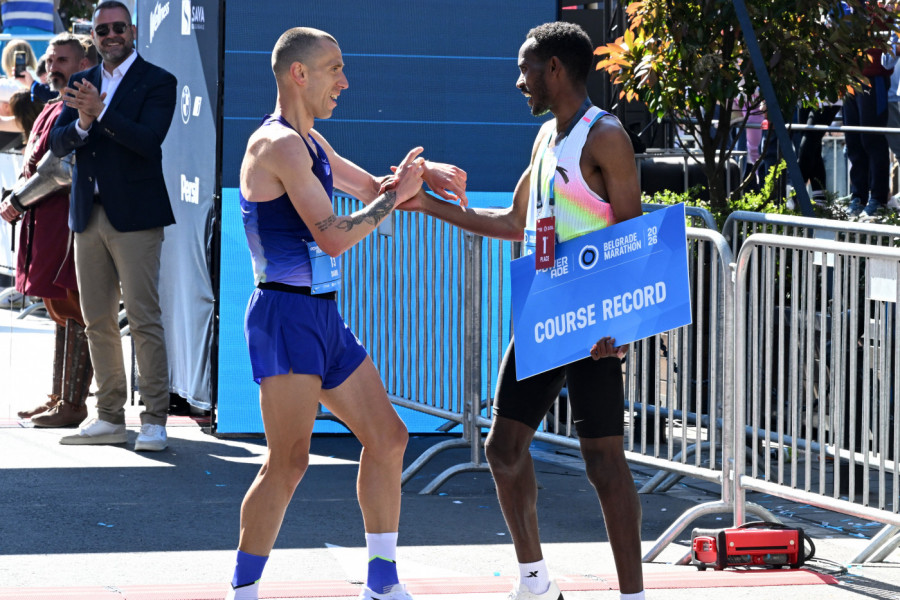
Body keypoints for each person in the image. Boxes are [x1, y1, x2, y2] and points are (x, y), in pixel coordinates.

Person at [404, 22, 645, 600]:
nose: (519, 81)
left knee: (603, 464)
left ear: (554, 69)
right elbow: (515, 223)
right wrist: (426, 205)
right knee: (503, 449)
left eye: (525, 69)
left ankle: (633, 595)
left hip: (592, 321)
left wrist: (620, 325)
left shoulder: (605, 136)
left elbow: (633, 238)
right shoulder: (544, 139)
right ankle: (535, 584)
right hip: (543, 312)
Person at [225, 27, 467, 600]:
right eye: (334, 68)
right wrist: (397, 194)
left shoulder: (312, 142)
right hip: (285, 317)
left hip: (322, 318)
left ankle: (382, 584)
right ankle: (242, 591)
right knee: (288, 463)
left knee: (388, 438)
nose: (345, 81)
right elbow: (333, 236)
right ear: (299, 74)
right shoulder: (277, 144)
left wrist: (420, 175)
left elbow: (373, 189)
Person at [48, 1, 177, 451]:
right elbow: (57, 143)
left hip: (136, 217)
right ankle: (109, 416)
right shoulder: (83, 82)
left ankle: (155, 420)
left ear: (133, 31)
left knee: (143, 319)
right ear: (95, 37)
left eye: (118, 27)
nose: (111, 35)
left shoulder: (157, 81)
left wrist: (100, 113)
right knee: (97, 320)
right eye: (102, 30)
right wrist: (83, 124)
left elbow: (148, 142)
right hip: (88, 215)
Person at [0, 33, 96, 428]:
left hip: (67, 221)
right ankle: (59, 396)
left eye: (62, 61)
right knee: (58, 309)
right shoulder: (55, 105)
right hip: (44, 219)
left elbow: (62, 168)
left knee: (73, 308)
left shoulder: (79, 106)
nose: (52, 67)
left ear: (83, 64)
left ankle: (73, 404)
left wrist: (18, 200)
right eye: (51, 60)